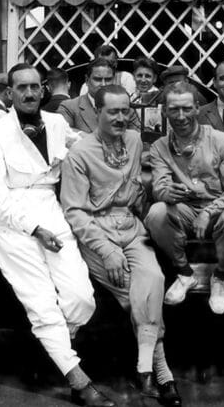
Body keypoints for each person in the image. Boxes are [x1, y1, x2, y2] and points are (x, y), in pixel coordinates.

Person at [0, 63, 116, 407]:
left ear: (43, 91)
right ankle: (78, 379)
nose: (28, 93)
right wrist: (34, 229)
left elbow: (86, 142)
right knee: (41, 302)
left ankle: (56, 343)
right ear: (9, 94)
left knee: (81, 297)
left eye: (34, 87)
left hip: (50, 211)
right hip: (11, 221)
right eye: (21, 88)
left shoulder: (56, 124)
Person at [60, 85, 182, 407]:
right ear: (96, 112)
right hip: (99, 234)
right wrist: (106, 250)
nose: (119, 117)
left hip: (132, 228)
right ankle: (160, 373)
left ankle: (149, 372)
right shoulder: (79, 155)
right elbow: (75, 212)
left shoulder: (133, 140)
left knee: (153, 280)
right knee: (136, 295)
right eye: (111, 111)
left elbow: (142, 187)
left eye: (124, 111)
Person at [144, 82, 224, 315]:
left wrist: (209, 211)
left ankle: (221, 276)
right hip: (184, 211)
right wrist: (166, 191)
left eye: (186, 108)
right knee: (156, 213)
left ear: (197, 108)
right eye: (174, 109)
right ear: (164, 111)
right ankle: (185, 274)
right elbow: (159, 187)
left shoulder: (220, 141)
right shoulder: (159, 147)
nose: (181, 116)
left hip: (219, 212)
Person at [58, 57, 141, 135]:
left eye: (108, 80)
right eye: (98, 79)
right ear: (87, 80)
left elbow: (137, 139)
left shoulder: (127, 109)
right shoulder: (69, 107)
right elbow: (65, 135)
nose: (103, 84)